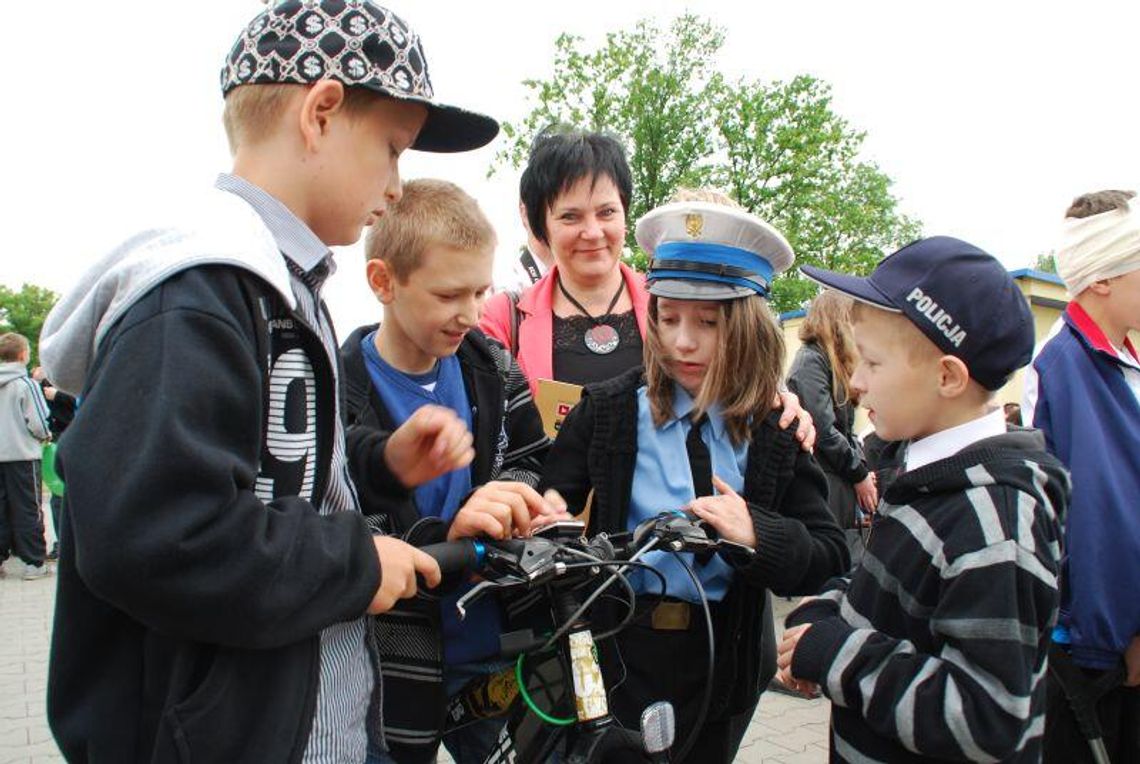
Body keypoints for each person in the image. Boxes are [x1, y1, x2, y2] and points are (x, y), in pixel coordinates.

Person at [36, 2, 500, 761]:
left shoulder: (280, 288)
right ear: (320, 113)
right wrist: (356, 562)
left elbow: (267, 481)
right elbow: (153, 534)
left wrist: (381, 467)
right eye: (391, 148)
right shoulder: (203, 292)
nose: (394, 184)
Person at [540, 199, 849, 763]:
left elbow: (828, 552)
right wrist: (550, 517)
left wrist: (758, 532)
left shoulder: (776, 430)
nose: (684, 342)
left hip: (722, 666)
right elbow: (554, 498)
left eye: (708, 323)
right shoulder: (609, 411)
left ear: (749, 326)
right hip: (618, 654)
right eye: (668, 317)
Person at [777, 237, 1069, 762]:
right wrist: (827, 610)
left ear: (947, 376)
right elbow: (890, 593)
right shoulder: (921, 475)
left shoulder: (995, 522)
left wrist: (836, 653)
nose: (857, 382)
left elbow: (987, 716)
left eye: (871, 362)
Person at [340, 179, 564, 763]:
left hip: (495, 647)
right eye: (447, 296)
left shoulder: (491, 366)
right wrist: (449, 536)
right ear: (383, 282)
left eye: (480, 291)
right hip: (392, 666)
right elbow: (337, 519)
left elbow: (531, 457)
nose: (470, 313)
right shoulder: (340, 391)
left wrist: (511, 496)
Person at [1024, 190, 1140, 763]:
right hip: (1100, 652)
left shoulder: (1125, 360)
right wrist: (1118, 636)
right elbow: (1094, 517)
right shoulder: (1062, 366)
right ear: (1103, 279)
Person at [786, 290, 877, 549]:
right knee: (832, 553)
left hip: (837, 476)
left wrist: (862, 467)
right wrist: (859, 473)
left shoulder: (829, 361)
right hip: (823, 477)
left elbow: (845, 431)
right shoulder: (811, 361)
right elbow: (824, 429)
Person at [0, 333, 51, 580]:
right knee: (28, 508)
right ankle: (33, 561)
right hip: (22, 455)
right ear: (22, 355)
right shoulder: (25, 384)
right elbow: (39, 422)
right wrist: (45, 436)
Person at [31, 365, 76, 561]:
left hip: (71, 437)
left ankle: (68, 543)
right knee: (58, 494)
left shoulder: (72, 380)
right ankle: (62, 543)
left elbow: (81, 402)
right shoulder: (38, 384)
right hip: (55, 440)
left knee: (64, 496)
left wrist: (57, 395)